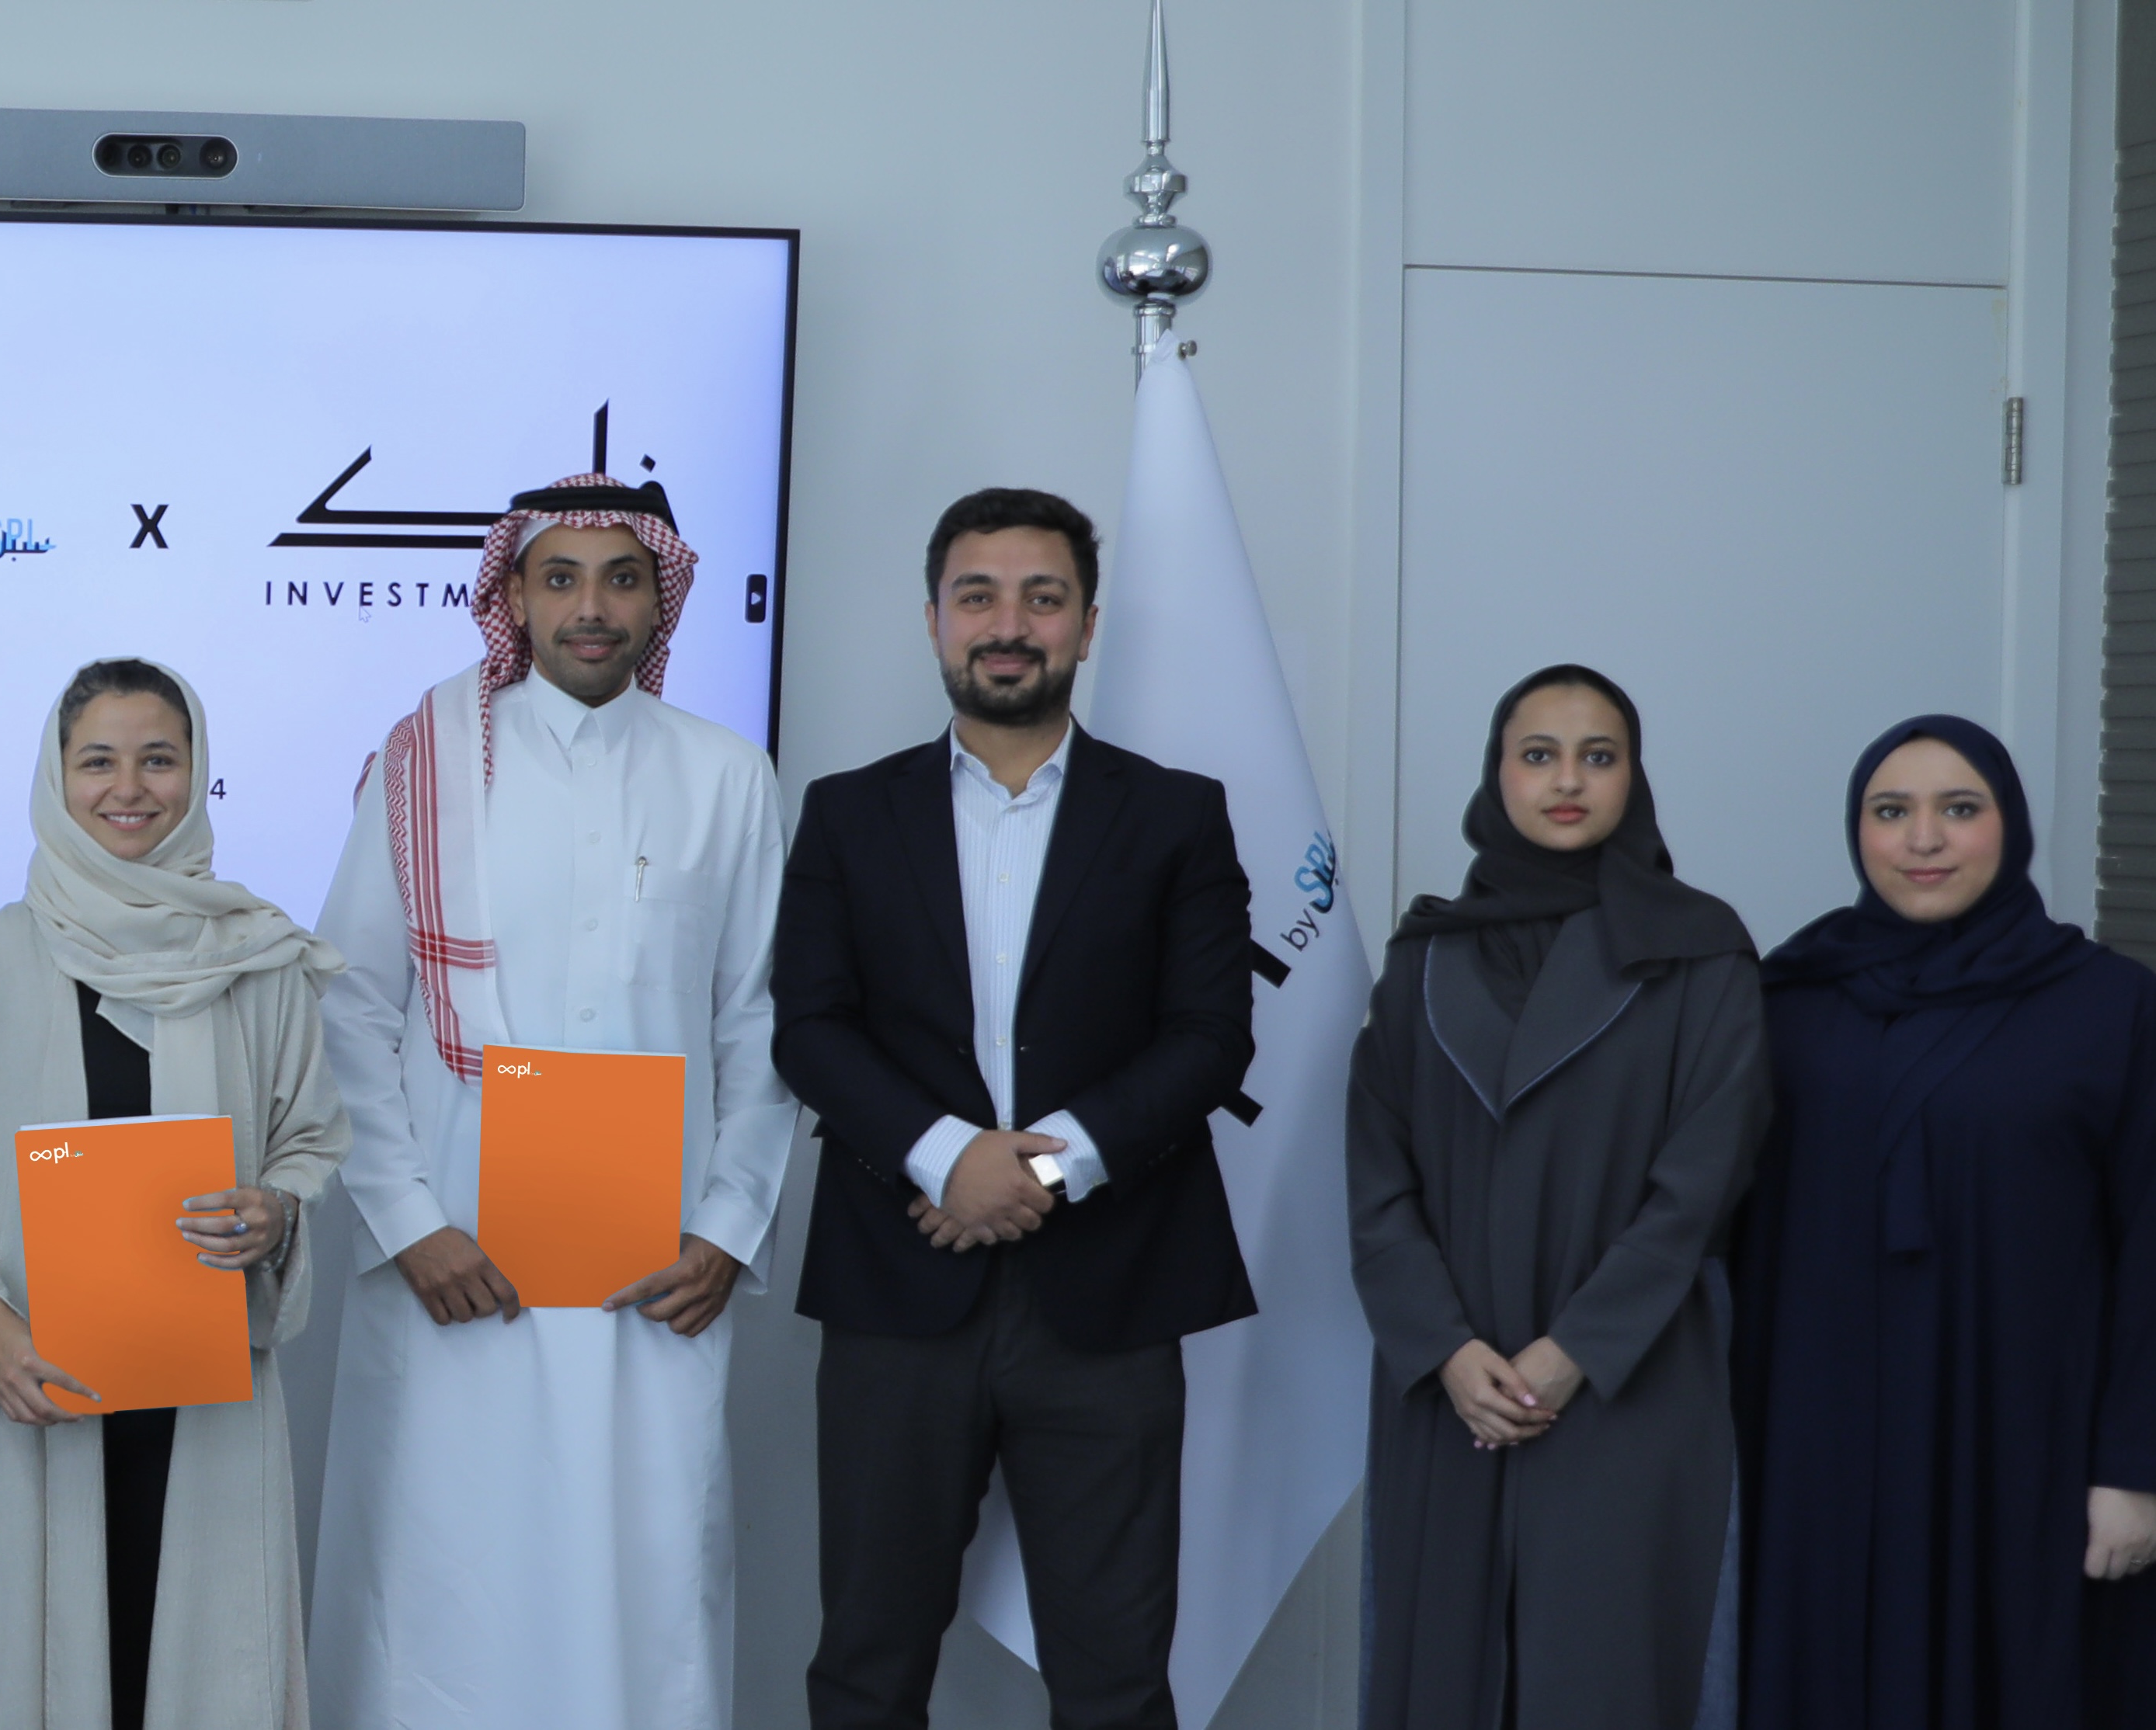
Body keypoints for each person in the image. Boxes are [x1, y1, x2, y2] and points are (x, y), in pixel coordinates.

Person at [304, 474, 795, 1730]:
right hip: (453, 1262)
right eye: (559, 578)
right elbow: (352, 1006)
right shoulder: (422, 763)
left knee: (644, 1577)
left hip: (654, 1271)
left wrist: (726, 1233)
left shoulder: (725, 776)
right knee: (443, 1581)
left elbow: (758, 1021)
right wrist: (408, 1222)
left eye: (621, 580)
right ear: (511, 596)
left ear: (658, 599)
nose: (591, 608)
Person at [771, 487, 1256, 1730]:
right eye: (976, 596)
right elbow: (809, 1028)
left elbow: (1208, 1039)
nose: (1007, 625)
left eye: (1042, 598)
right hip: (896, 1289)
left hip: (1110, 1294)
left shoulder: (1175, 814)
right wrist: (948, 1162)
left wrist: (1034, 1173)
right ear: (933, 618)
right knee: (866, 1665)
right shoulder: (845, 811)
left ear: (1086, 626)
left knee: (1114, 1676)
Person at [0, 658, 349, 1730]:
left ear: (197, 772)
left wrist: (277, 1211)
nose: (129, 788)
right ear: (57, 778)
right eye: (97, 761)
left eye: (159, 759)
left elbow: (308, 1140)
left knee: (195, 1649)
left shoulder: (258, 959)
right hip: (35, 1376)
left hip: (204, 1388)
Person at [1344, 664, 1764, 1730]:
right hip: (1456, 1388)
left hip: (1631, 1375)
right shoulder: (1422, 959)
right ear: (1498, 774)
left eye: (1597, 756)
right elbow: (1377, 1179)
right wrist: (1445, 1349)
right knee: (1444, 1667)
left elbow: (1699, 1184)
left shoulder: (1702, 951)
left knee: (1610, 1669)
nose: (1567, 780)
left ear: (1634, 776)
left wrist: (1573, 1351)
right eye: (1538, 755)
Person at [1737, 714, 2156, 1729]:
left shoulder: (2113, 1008)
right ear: (1857, 831)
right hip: (1816, 1450)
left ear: (2009, 824)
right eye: (1891, 812)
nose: (1922, 839)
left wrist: (2135, 1470)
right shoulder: (1783, 1003)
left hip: (2025, 1448)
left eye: (1958, 809)